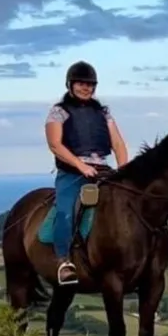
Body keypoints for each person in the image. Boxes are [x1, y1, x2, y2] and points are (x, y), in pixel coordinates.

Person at [44, 61, 130, 284]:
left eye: (90, 84)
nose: (86, 88)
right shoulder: (59, 112)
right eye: (81, 84)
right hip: (72, 173)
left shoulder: (103, 113)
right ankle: (63, 261)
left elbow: (118, 144)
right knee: (65, 212)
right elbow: (55, 144)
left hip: (101, 170)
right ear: (70, 85)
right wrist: (80, 165)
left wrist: (124, 171)